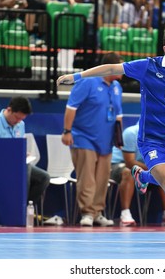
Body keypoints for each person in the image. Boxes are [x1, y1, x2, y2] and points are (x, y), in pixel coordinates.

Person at [57, 26, 165, 241]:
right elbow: (110, 68)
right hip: (151, 139)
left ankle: (142, 176)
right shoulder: (148, 67)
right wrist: (78, 76)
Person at [61, 52, 123, 227]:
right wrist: (67, 131)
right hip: (84, 137)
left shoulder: (117, 86)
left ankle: (97, 212)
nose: (122, 70)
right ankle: (87, 212)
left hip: (106, 141)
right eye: (119, 66)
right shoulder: (87, 82)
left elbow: (118, 115)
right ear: (109, 67)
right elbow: (71, 108)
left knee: (102, 179)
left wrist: (118, 139)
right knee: (87, 178)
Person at [0, 96, 50, 209]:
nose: (18, 121)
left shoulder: (20, 125)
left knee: (44, 177)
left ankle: (26, 206)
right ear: (9, 110)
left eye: (21, 119)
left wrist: (23, 152)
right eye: (17, 118)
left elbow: (19, 144)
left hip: (16, 163)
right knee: (25, 168)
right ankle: (20, 207)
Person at [111, 121, 165, 227]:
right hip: (117, 165)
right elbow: (130, 162)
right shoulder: (131, 133)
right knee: (129, 172)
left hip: (143, 168)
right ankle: (125, 214)